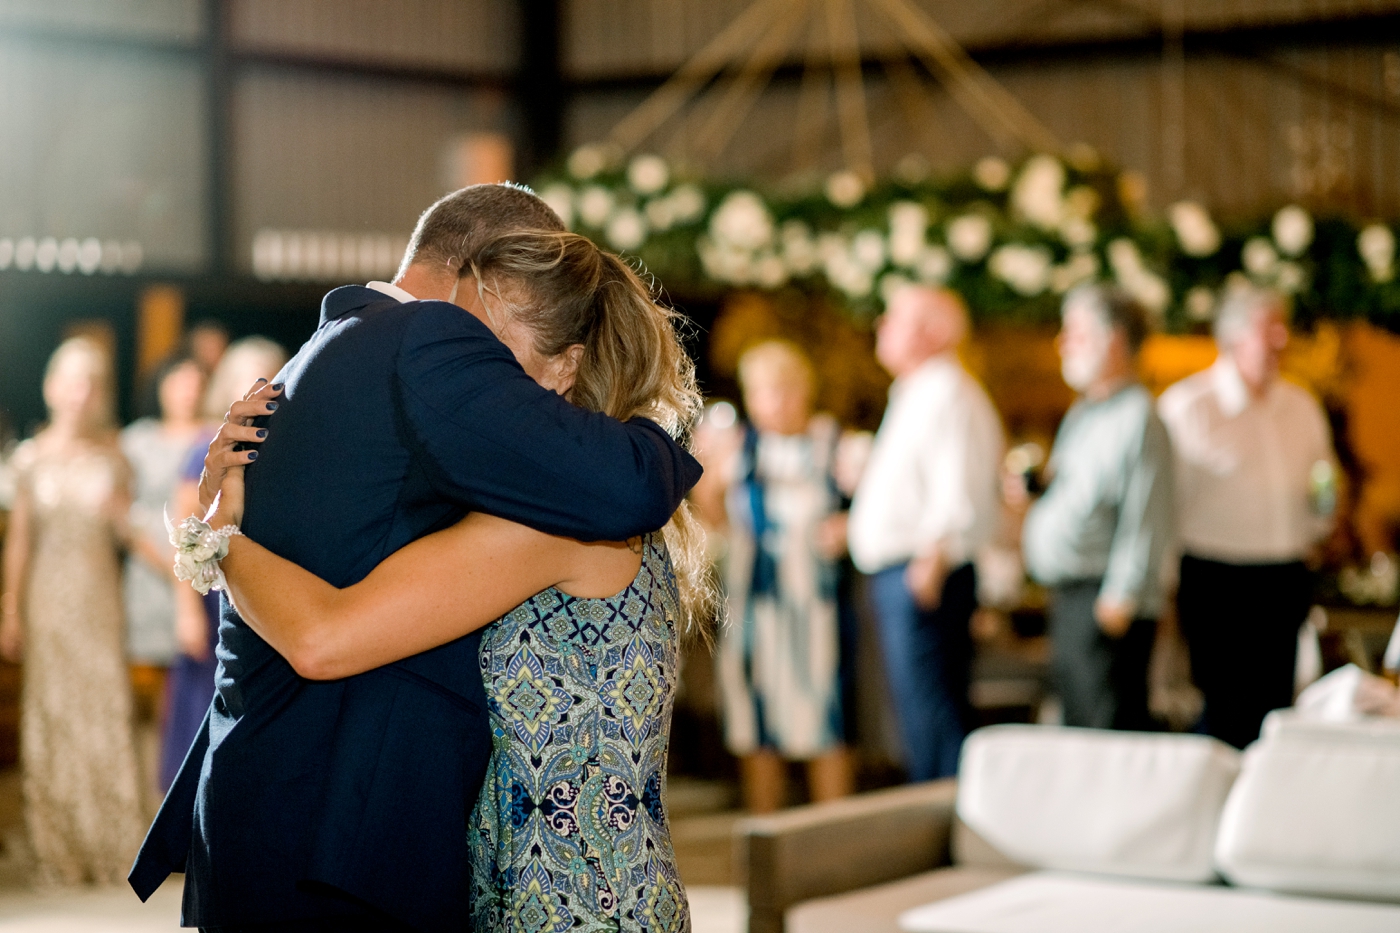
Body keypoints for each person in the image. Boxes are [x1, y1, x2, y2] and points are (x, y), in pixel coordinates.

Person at [129, 184, 702, 932]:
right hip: (340, 838)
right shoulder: (427, 342)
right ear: (487, 277)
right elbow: (629, 485)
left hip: (333, 823)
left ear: (568, 368)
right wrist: (215, 539)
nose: (499, 386)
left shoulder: (337, 352)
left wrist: (216, 538)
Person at [1159, 285, 1336, 748]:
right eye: (1268, 328)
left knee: (1275, 706)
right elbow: (1164, 505)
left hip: (1285, 573)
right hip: (1215, 578)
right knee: (1222, 708)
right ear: (1235, 336)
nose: (1281, 339)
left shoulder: (1301, 405)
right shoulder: (1189, 406)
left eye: (1283, 327)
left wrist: (1324, 519)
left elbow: (1323, 479)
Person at [0, 337, 146, 885]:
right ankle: (57, 847)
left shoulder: (115, 458)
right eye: (72, 380)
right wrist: (11, 610)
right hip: (47, 598)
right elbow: (20, 541)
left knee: (104, 707)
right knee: (52, 710)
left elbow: (129, 533)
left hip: (99, 596)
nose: (81, 392)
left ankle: (111, 843)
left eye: (92, 382)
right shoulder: (29, 459)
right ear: (53, 386)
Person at [848, 286, 1005, 781]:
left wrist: (934, 559)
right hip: (906, 570)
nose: (883, 325)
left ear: (933, 332)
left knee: (933, 713)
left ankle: (949, 813)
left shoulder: (947, 391)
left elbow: (959, 486)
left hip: (924, 573)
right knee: (918, 715)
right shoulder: (917, 390)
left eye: (895, 317)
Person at [1019, 284, 1174, 731]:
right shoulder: (1084, 412)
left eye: (1076, 333)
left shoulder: (1139, 416)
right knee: (1078, 726)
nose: (1063, 344)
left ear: (1115, 341)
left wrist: (1122, 595)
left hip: (1106, 603)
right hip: (1073, 596)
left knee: (1107, 732)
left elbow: (1147, 513)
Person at [711, 340, 854, 812]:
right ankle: (767, 832)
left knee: (826, 721)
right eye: (764, 390)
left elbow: (875, 511)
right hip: (754, 606)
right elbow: (712, 520)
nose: (776, 401)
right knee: (757, 722)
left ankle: (832, 834)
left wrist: (849, 526)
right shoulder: (737, 448)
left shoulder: (835, 445)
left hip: (818, 609)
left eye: (785, 389)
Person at [159, 337, 287, 792]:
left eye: (270, 378)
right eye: (249, 379)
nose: (259, 389)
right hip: (213, 595)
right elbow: (185, 534)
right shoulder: (205, 448)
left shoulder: (285, 448)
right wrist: (185, 611)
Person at [120, 356, 206, 672]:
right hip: (147, 567)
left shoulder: (214, 436)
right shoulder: (137, 440)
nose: (188, 392)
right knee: (147, 672)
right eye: (180, 383)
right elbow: (123, 509)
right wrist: (167, 565)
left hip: (202, 569)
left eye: (196, 384)